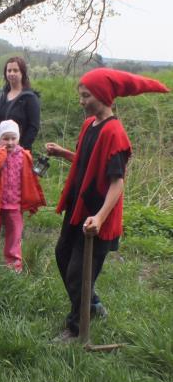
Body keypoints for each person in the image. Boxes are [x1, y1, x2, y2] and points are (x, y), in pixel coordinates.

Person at [46, 68, 169, 342]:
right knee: (63, 256)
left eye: (86, 96)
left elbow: (117, 183)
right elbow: (86, 162)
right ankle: (93, 304)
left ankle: (76, 328)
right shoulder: (90, 124)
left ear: (102, 95)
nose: (81, 101)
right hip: (78, 210)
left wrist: (100, 217)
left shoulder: (115, 134)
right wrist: (63, 153)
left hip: (96, 218)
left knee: (79, 273)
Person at [0, 120, 45, 272]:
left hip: (15, 203)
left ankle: (13, 265)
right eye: (5, 138)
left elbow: (29, 178)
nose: (9, 142)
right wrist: (0, 156)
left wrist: (31, 198)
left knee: (14, 236)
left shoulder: (24, 155)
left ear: (18, 138)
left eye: (13, 138)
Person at [0, 56, 40, 151]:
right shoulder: (0, 94)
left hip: (18, 153)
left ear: (22, 73)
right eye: (9, 70)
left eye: (15, 70)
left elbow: (33, 127)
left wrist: (21, 148)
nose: (11, 73)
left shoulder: (30, 98)